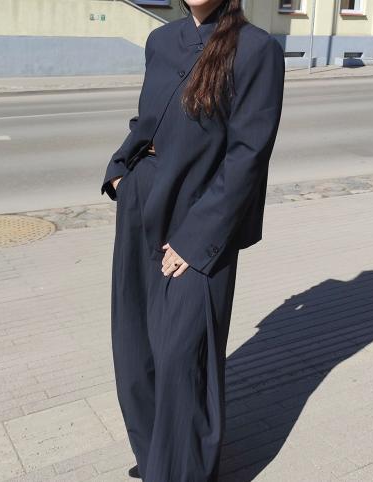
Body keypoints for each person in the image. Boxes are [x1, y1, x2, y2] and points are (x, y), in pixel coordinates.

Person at [100, 0, 285, 480]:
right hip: (141, 209)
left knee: (183, 359)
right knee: (135, 353)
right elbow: (145, 122)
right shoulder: (161, 41)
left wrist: (197, 239)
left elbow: (248, 155)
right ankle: (156, 462)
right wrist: (120, 172)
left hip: (200, 224)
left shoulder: (256, 50)